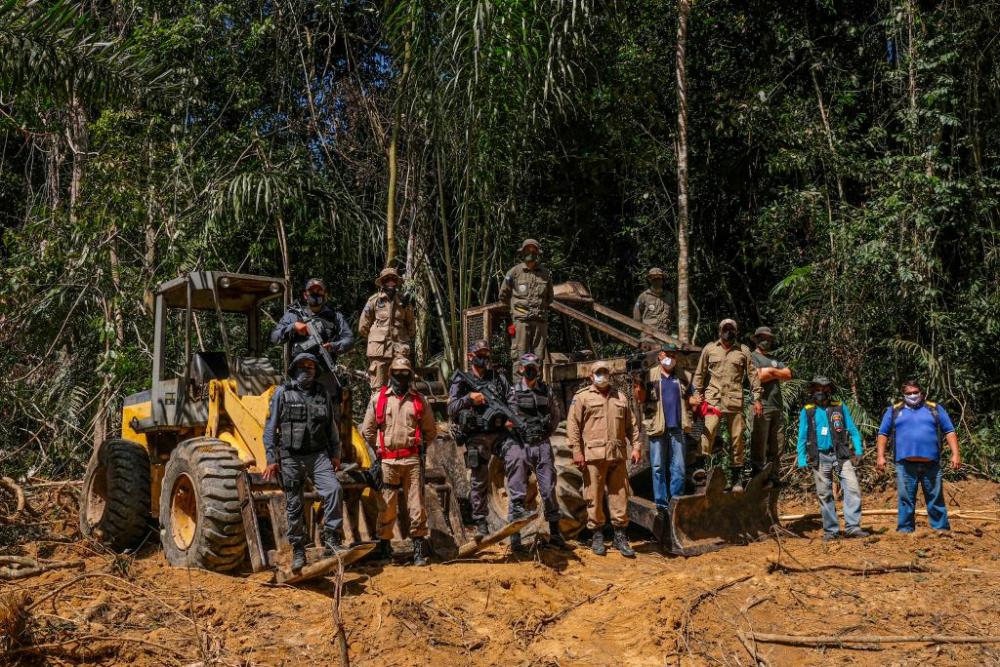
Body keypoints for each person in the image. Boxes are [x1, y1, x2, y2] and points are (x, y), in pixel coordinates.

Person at [262, 353, 344, 572]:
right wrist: (271, 458)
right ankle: (299, 550)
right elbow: (270, 427)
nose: (307, 370)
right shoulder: (283, 393)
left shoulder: (322, 393)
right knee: (294, 504)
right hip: (290, 456)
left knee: (334, 489)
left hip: (318, 455)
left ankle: (332, 540)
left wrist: (336, 453)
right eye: (302, 366)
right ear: (294, 369)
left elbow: (331, 426)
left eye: (311, 367)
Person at [362, 357, 438, 566]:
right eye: (397, 372)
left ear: (410, 374)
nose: (401, 376)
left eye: (405, 372)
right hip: (387, 462)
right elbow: (367, 430)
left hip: (412, 461)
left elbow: (431, 430)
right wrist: (379, 448)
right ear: (390, 373)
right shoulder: (379, 399)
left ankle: (418, 549)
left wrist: (419, 448)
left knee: (416, 505)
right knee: (386, 505)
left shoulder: (419, 400)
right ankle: (385, 547)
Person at [567, 360, 642, 557]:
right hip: (593, 457)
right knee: (594, 496)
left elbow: (632, 426)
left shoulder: (620, 397)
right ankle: (597, 535)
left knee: (620, 496)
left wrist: (636, 447)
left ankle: (620, 536)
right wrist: (577, 451)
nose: (602, 376)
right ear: (591, 376)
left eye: (605, 372)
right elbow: (573, 426)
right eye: (598, 373)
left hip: (617, 455)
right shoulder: (582, 397)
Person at [876, 379, 961, 533]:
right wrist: (880, 456)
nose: (913, 395)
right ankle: (905, 531)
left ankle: (941, 530)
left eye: (915, 392)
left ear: (922, 393)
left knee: (935, 499)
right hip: (905, 465)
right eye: (909, 393)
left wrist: (955, 454)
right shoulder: (894, 410)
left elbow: (949, 431)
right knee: (905, 500)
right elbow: (882, 434)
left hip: (931, 464)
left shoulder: (934, 409)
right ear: (903, 394)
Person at [447, 339, 511, 541]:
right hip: (476, 436)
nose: (483, 358)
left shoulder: (498, 379)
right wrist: (469, 399)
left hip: (500, 434)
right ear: (470, 356)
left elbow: (510, 399)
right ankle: (481, 521)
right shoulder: (462, 380)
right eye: (479, 355)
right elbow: (451, 408)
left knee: (518, 459)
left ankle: (517, 508)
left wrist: (511, 418)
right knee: (479, 479)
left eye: (486, 355)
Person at [504, 353, 566, 550]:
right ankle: (515, 540)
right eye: (526, 366)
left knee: (548, 490)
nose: (530, 370)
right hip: (519, 445)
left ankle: (555, 534)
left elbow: (555, 415)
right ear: (521, 368)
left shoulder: (546, 391)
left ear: (538, 369)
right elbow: (502, 417)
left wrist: (545, 433)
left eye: (534, 366)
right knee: (517, 492)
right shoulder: (512, 391)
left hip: (541, 444)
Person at [691, 319, 763, 491]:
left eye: (731, 329)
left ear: (736, 332)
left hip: (734, 401)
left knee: (737, 439)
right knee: (707, 431)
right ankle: (701, 469)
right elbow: (699, 374)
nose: (728, 332)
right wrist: (696, 395)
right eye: (725, 329)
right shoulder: (709, 349)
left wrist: (757, 398)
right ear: (720, 330)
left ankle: (737, 478)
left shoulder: (743, 351)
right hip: (713, 400)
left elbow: (753, 375)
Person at [795, 376, 868, 541]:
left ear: (830, 390)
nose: (821, 392)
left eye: (824, 389)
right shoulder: (808, 410)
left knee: (852, 488)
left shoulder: (839, 407)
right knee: (824, 494)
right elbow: (802, 436)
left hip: (841, 454)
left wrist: (858, 450)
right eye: (817, 389)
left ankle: (853, 527)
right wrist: (801, 459)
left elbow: (852, 429)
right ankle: (831, 531)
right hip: (819, 456)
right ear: (813, 391)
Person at [270, 278, 354, 395]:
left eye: (319, 291)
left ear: (326, 295)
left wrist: (333, 346)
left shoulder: (335, 317)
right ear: (305, 295)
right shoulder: (293, 315)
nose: (315, 294)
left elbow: (349, 339)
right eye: (311, 291)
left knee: (329, 409)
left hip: (326, 373)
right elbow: (274, 337)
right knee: (297, 408)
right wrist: (293, 327)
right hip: (300, 374)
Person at [645, 343, 693, 513]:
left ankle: (675, 502)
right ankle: (661, 504)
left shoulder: (685, 376)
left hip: (678, 427)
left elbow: (690, 399)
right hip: (657, 427)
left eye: (673, 355)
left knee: (678, 467)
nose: (670, 358)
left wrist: (696, 403)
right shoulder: (649, 376)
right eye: (667, 354)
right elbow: (641, 399)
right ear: (660, 356)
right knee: (658, 467)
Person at [499, 238, 553, 371]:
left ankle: (536, 387)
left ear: (538, 253)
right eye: (527, 250)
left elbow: (549, 298)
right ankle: (519, 389)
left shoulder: (546, 274)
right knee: (520, 356)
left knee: (538, 357)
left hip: (540, 321)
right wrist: (516, 310)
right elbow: (503, 295)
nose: (530, 252)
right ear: (522, 252)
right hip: (521, 322)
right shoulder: (514, 272)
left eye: (533, 250)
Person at [358, 267, 417, 389]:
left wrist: (407, 307)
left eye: (393, 279)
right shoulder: (373, 301)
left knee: (403, 388)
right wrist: (375, 338)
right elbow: (363, 327)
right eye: (387, 279)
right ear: (383, 282)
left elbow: (412, 327)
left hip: (400, 351)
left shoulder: (404, 302)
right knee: (378, 389)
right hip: (379, 353)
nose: (390, 281)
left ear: (396, 282)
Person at [749, 326, 793, 485]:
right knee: (760, 444)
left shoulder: (775, 359)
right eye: (762, 337)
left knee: (777, 445)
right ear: (757, 339)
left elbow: (788, 374)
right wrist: (775, 372)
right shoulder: (752, 357)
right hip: (761, 405)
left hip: (777, 406)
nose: (765, 341)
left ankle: (773, 478)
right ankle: (758, 478)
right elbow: (758, 376)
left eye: (768, 338)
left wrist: (771, 371)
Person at [633, 267, 674, 349]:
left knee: (667, 360)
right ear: (650, 280)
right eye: (654, 278)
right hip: (648, 338)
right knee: (651, 359)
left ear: (663, 279)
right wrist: (643, 329)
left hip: (665, 336)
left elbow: (674, 314)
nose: (656, 280)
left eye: (659, 278)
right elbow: (636, 317)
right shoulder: (643, 296)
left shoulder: (669, 296)